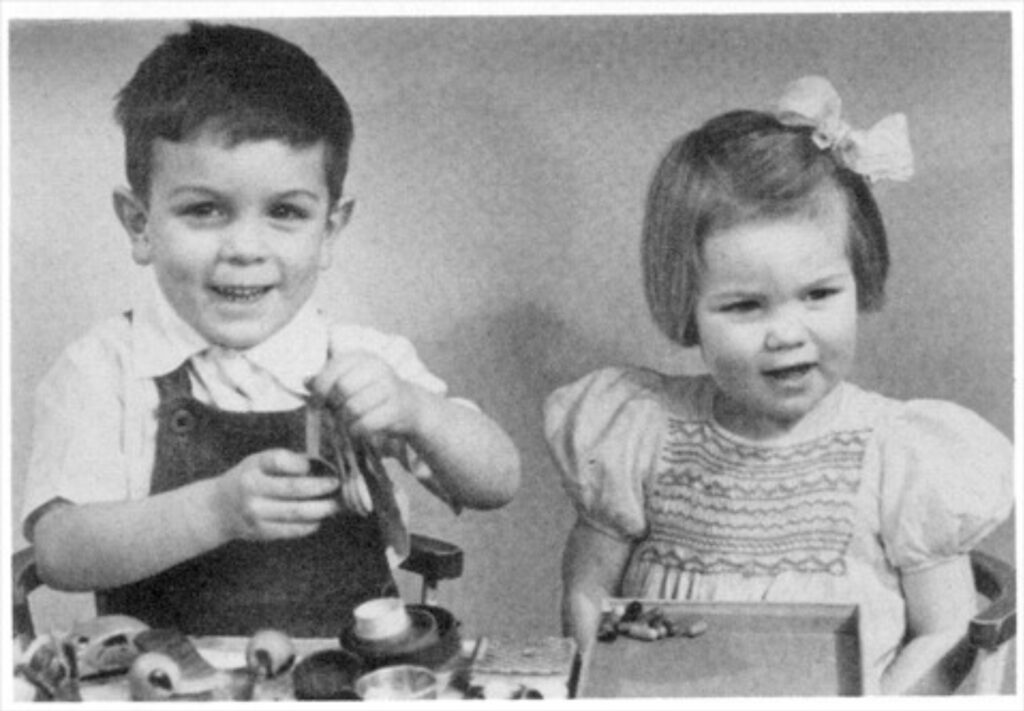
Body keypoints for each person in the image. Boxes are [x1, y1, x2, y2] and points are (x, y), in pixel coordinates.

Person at [21, 21, 520, 638]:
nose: (245, 248)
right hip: (172, 682)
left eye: (285, 212)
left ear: (330, 229)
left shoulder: (364, 359)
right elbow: (61, 553)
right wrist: (215, 510)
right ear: (139, 224)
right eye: (203, 210)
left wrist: (419, 412)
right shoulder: (104, 368)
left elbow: (499, 481)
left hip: (349, 672)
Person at [543, 76, 1013, 694]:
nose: (786, 334)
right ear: (688, 307)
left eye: (818, 294)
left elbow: (945, 630)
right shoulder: (640, 429)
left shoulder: (900, 452)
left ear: (858, 277)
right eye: (744, 307)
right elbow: (586, 590)